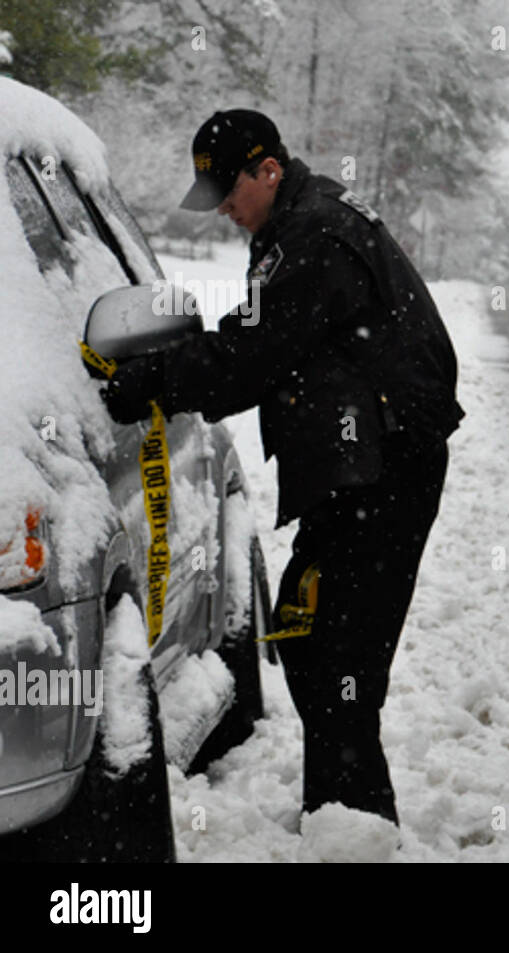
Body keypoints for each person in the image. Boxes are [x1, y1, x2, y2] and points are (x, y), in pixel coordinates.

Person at [97, 109, 464, 826]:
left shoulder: (314, 233)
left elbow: (249, 357)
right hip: (367, 467)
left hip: (384, 470)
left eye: (230, 192)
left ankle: (354, 823)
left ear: (267, 170)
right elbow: (261, 341)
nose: (226, 211)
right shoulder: (299, 223)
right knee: (314, 640)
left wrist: (153, 380)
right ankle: (343, 815)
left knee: (337, 655)